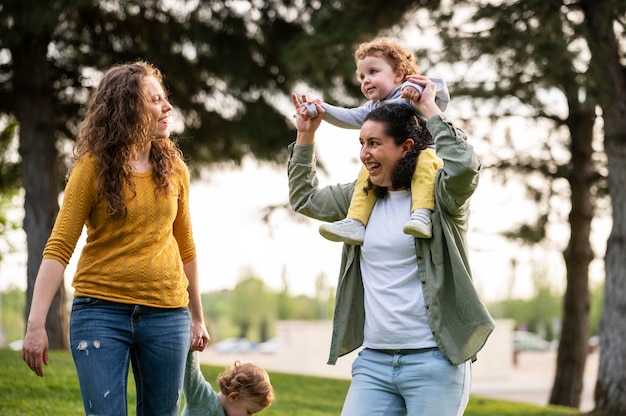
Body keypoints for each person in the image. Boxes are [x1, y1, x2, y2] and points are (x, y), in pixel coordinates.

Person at [289, 76, 494, 415]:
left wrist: (429, 108)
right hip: (374, 363)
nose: (364, 154)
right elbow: (304, 199)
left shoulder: (441, 199)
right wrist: (306, 135)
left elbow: (464, 167)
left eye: (374, 143)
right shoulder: (359, 197)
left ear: (406, 148)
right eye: (361, 143)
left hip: (434, 362)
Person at [21, 61, 210, 416]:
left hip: (167, 315)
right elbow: (59, 246)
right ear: (128, 108)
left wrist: (197, 317)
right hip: (100, 312)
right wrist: (36, 325)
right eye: (154, 100)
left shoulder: (175, 170)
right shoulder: (90, 168)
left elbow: (186, 246)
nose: (166, 106)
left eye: (164, 98)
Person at [304, 37, 450, 245]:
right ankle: (355, 221)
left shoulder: (409, 90)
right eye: (362, 76)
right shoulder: (373, 107)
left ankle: (422, 214)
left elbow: (439, 93)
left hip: (426, 151)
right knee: (366, 176)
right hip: (394, 162)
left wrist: (417, 92)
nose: (366, 80)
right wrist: (322, 108)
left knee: (424, 167)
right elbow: (349, 116)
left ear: (399, 73)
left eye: (373, 72)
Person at [181, 350, 275, 416]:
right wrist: (194, 339)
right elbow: (191, 370)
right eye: (249, 412)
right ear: (234, 397)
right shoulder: (203, 398)